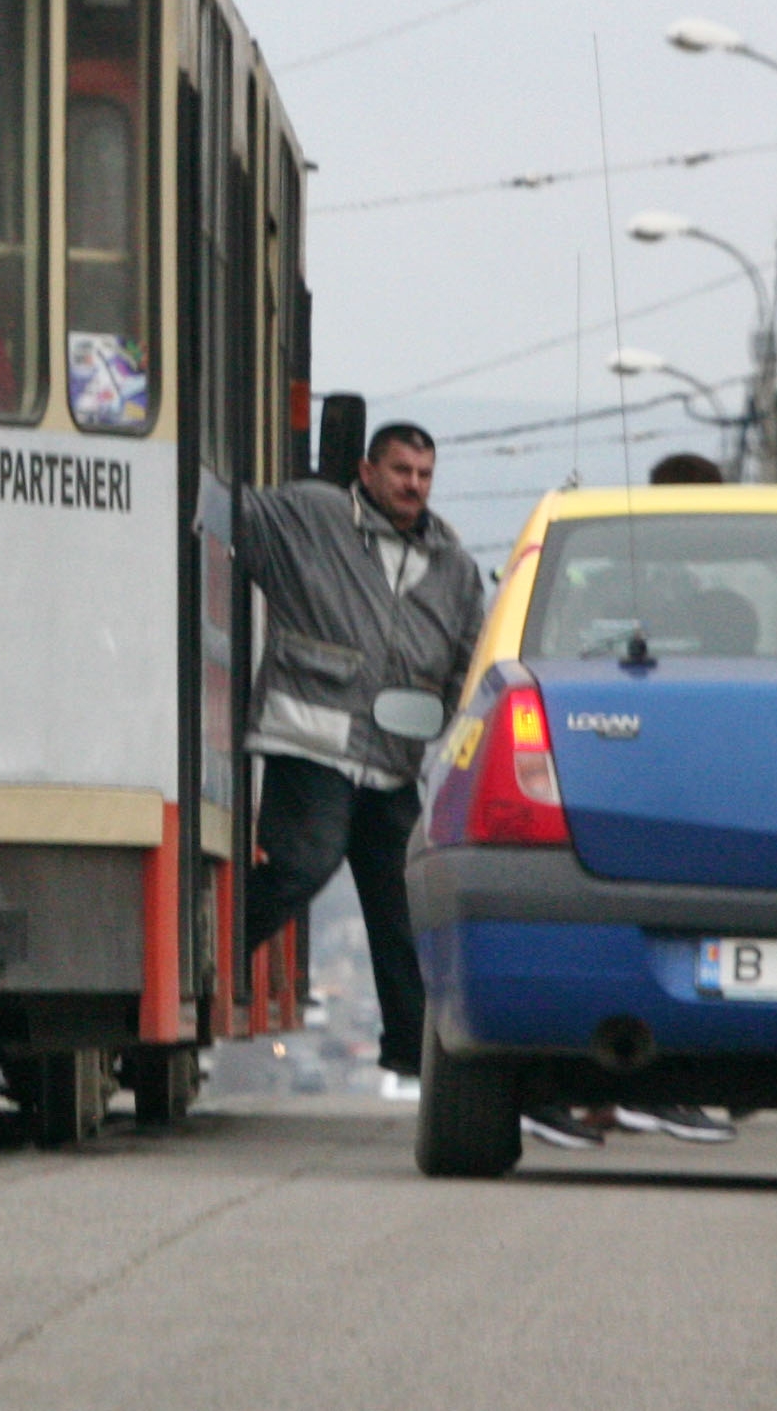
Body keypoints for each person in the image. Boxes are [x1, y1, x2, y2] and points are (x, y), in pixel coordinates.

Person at [235, 425, 491, 1114]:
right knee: (302, 861)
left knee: (405, 901)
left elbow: (470, 662)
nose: (413, 484)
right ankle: (219, 963)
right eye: (401, 470)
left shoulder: (456, 568)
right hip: (312, 740)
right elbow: (227, 512)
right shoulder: (312, 516)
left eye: (425, 474)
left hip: (392, 762)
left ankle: (412, 1045)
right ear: (367, 472)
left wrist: (450, 732)